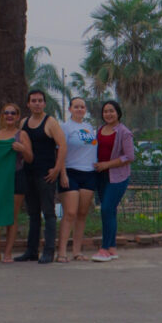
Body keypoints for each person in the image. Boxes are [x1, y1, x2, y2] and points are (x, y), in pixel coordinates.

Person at [14, 88, 67, 264]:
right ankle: (31, 250)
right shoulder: (24, 123)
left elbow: (62, 145)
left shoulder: (50, 122)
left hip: (46, 174)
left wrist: (57, 169)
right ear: (28, 104)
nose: (37, 103)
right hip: (28, 173)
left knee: (49, 213)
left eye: (40, 100)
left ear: (44, 103)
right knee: (33, 213)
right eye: (33, 100)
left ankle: (49, 251)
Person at [0, 102, 33, 263]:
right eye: (6, 113)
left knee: (11, 216)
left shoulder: (22, 135)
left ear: (18, 116)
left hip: (16, 176)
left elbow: (30, 158)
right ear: (2, 116)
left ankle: (7, 252)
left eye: (13, 113)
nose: (9, 116)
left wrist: (23, 149)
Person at [91, 99, 135, 262]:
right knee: (110, 212)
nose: (108, 114)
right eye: (105, 111)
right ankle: (112, 247)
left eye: (111, 111)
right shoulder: (100, 130)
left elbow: (129, 156)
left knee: (106, 209)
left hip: (117, 177)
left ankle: (104, 248)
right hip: (101, 176)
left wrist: (107, 164)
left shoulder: (124, 132)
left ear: (118, 113)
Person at [56, 96, 98, 262]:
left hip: (88, 173)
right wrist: (63, 173)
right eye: (76, 107)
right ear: (70, 109)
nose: (79, 109)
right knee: (70, 213)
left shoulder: (89, 127)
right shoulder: (65, 127)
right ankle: (62, 252)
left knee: (82, 213)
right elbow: (60, 151)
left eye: (82, 107)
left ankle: (77, 251)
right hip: (70, 172)